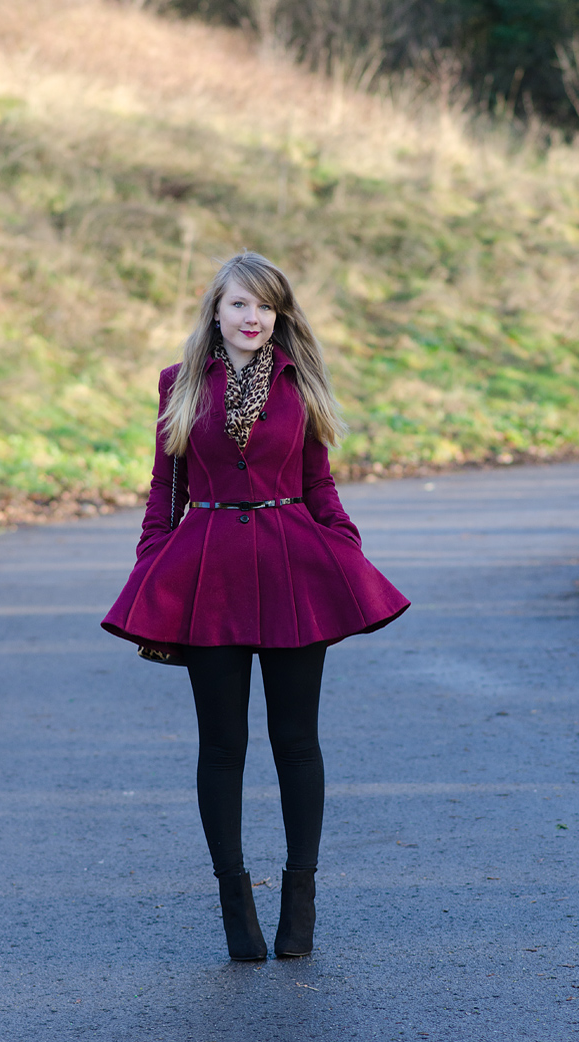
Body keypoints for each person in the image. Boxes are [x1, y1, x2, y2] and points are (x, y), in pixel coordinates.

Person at [102, 252, 410, 961]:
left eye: (266, 307)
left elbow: (319, 484)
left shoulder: (301, 385)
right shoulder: (179, 386)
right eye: (240, 304)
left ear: (279, 315)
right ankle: (235, 908)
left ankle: (299, 904)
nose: (253, 318)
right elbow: (164, 487)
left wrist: (344, 550)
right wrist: (153, 561)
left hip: (294, 567)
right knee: (223, 745)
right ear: (215, 310)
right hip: (207, 574)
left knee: (297, 741)